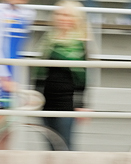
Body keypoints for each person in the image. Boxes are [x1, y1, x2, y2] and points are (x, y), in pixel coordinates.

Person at [32, 0, 88, 150]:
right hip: (46, 100)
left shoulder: (80, 43)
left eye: (68, 15)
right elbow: (40, 71)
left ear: (75, 19)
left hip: (67, 103)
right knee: (49, 145)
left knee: (65, 145)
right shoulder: (48, 40)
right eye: (60, 14)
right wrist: (36, 96)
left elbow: (83, 77)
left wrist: (81, 105)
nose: (63, 18)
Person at [0, 0, 35, 148]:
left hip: (15, 75)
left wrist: (22, 83)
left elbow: (20, 51)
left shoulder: (27, 13)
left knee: (9, 132)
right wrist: (2, 77)